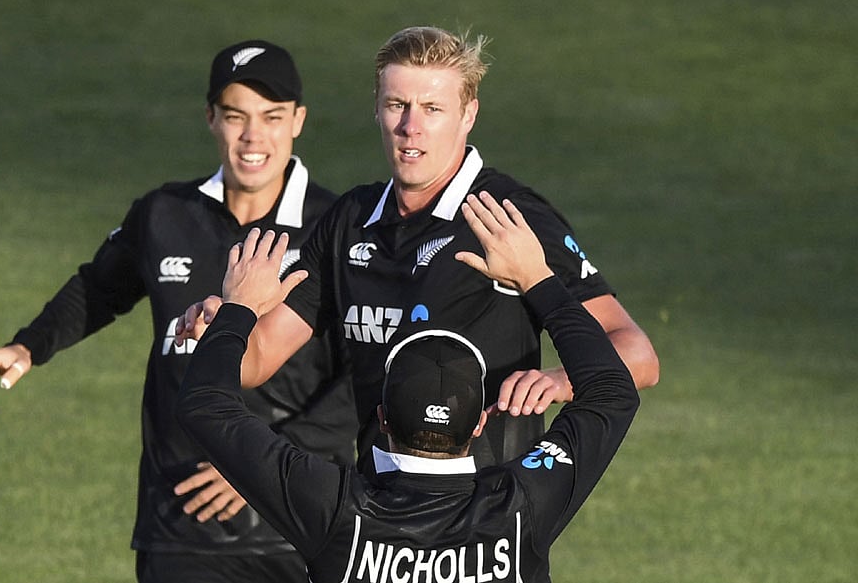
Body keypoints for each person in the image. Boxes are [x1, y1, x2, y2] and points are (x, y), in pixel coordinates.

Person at [177, 26, 658, 475]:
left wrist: (559, 380)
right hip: (377, 515)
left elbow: (637, 353)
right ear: (377, 109)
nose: (411, 126)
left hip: (489, 514)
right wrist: (223, 328)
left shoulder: (508, 217)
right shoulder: (349, 222)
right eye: (396, 105)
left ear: (468, 114)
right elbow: (258, 359)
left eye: (432, 108)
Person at [0, 40, 357, 583]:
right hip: (178, 524)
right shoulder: (164, 215)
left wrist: (266, 464)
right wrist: (29, 345)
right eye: (235, 116)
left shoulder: (337, 229)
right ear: (210, 118)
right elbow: (99, 288)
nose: (253, 136)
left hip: (295, 524)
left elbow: (364, 372)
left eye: (271, 117)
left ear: (298, 120)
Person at [175, 192, 640, 583]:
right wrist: (538, 279)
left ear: (381, 418)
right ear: (479, 425)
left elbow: (206, 405)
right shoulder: (525, 505)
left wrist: (237, 311)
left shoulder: (328, 505)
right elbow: (612, 391)